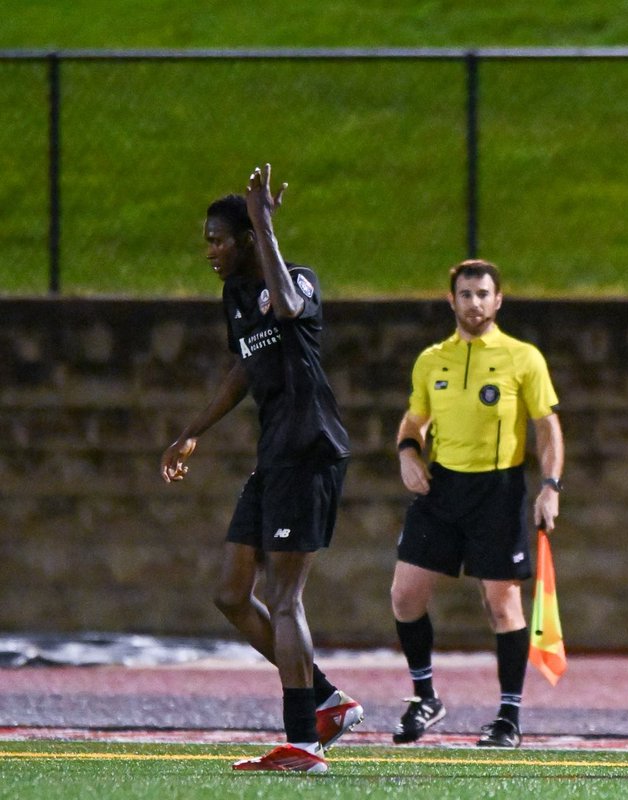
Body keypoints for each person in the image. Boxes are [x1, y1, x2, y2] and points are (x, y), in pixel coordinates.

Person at [160, 165, 362, 773]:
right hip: (274, 453)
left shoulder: (293, 278)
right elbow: (245, 369)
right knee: (230, 591)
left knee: (284, 595)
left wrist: (264, 222)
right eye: (208, 241)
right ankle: (325, 698)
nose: (211, 252)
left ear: (248, 239)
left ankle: (303, 743)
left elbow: (294, 306)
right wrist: (191, 432)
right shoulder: (236, 299)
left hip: (308, 449)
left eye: (220, 239)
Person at [389, 259, 564, 749]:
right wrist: (407, 453)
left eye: (483, 294)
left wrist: (550, 485)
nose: (474, 303)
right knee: (405, 597)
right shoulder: (432, 360)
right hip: (442, 489)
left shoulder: (522, 358)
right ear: (452, 301)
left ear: (499, 300)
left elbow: (547, 427)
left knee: (501, 603)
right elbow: (414, 420)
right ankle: (425, 697)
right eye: (465, 294)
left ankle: (508, 716)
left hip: (498, 491)